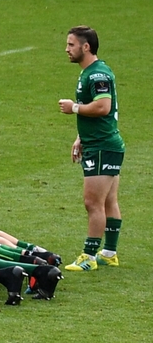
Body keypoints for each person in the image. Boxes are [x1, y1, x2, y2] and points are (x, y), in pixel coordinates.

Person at [58, 25, 124, 272]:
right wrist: (80, 136)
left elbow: (103, 107)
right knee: (108, 201)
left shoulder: (97, 75)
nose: (67, 49)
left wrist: (73, 108)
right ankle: (109, 253)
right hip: (101, 142)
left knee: (92, 202)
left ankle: (89, 256)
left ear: (86, 47)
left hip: (102, 146)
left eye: (71, 45)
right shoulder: (92, 72)